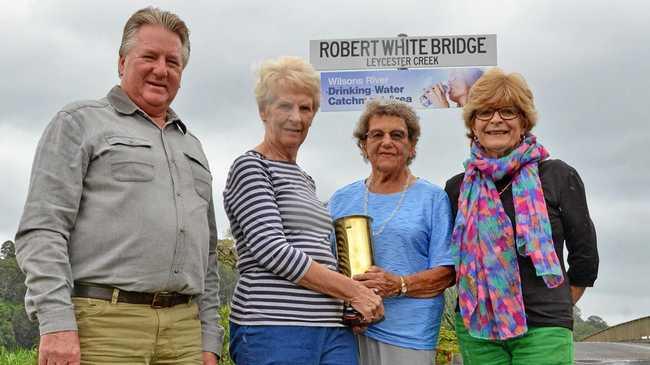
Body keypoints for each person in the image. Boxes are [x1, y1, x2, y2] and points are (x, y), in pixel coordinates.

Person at [15, 7, 223, 365]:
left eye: (173, 62)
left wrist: (208, 338)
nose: (161, 69)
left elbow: (207, 258)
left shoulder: (193, 146)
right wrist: (56, 324)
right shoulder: (78, 123)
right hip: (102, 328)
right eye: (150, 57)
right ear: (122, 61)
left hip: (184, 333)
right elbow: (42, 231)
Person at [223, 56, 384, 365]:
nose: (295, 117)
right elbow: (272, 250)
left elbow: (320, 254)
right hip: (274, 328)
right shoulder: (251, 166)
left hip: (332, 329)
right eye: (284, 106)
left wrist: (351, 305)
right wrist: (353, 292)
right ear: (263, 111)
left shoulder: (305, 179)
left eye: (305, 108)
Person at [445, 68, 599, 364]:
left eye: (508, 111)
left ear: (524, 121)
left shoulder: (557, 176)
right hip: (477, 330)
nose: (496, 120)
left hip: (543, 329)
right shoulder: (457, 188)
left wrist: (556, 306)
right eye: (485, 112)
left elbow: (585, 257)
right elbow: (451, 263)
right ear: (473, 124)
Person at [328, 100, 456, 365]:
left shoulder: (432, 198)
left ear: (411, 147)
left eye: (397, 135)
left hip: (409, 336)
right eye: (377, 134)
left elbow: (447, 272)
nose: (386, 142)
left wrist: (398, 285)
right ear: (364, 145)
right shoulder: (341, 199)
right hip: (348, 332)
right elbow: (326, 265)